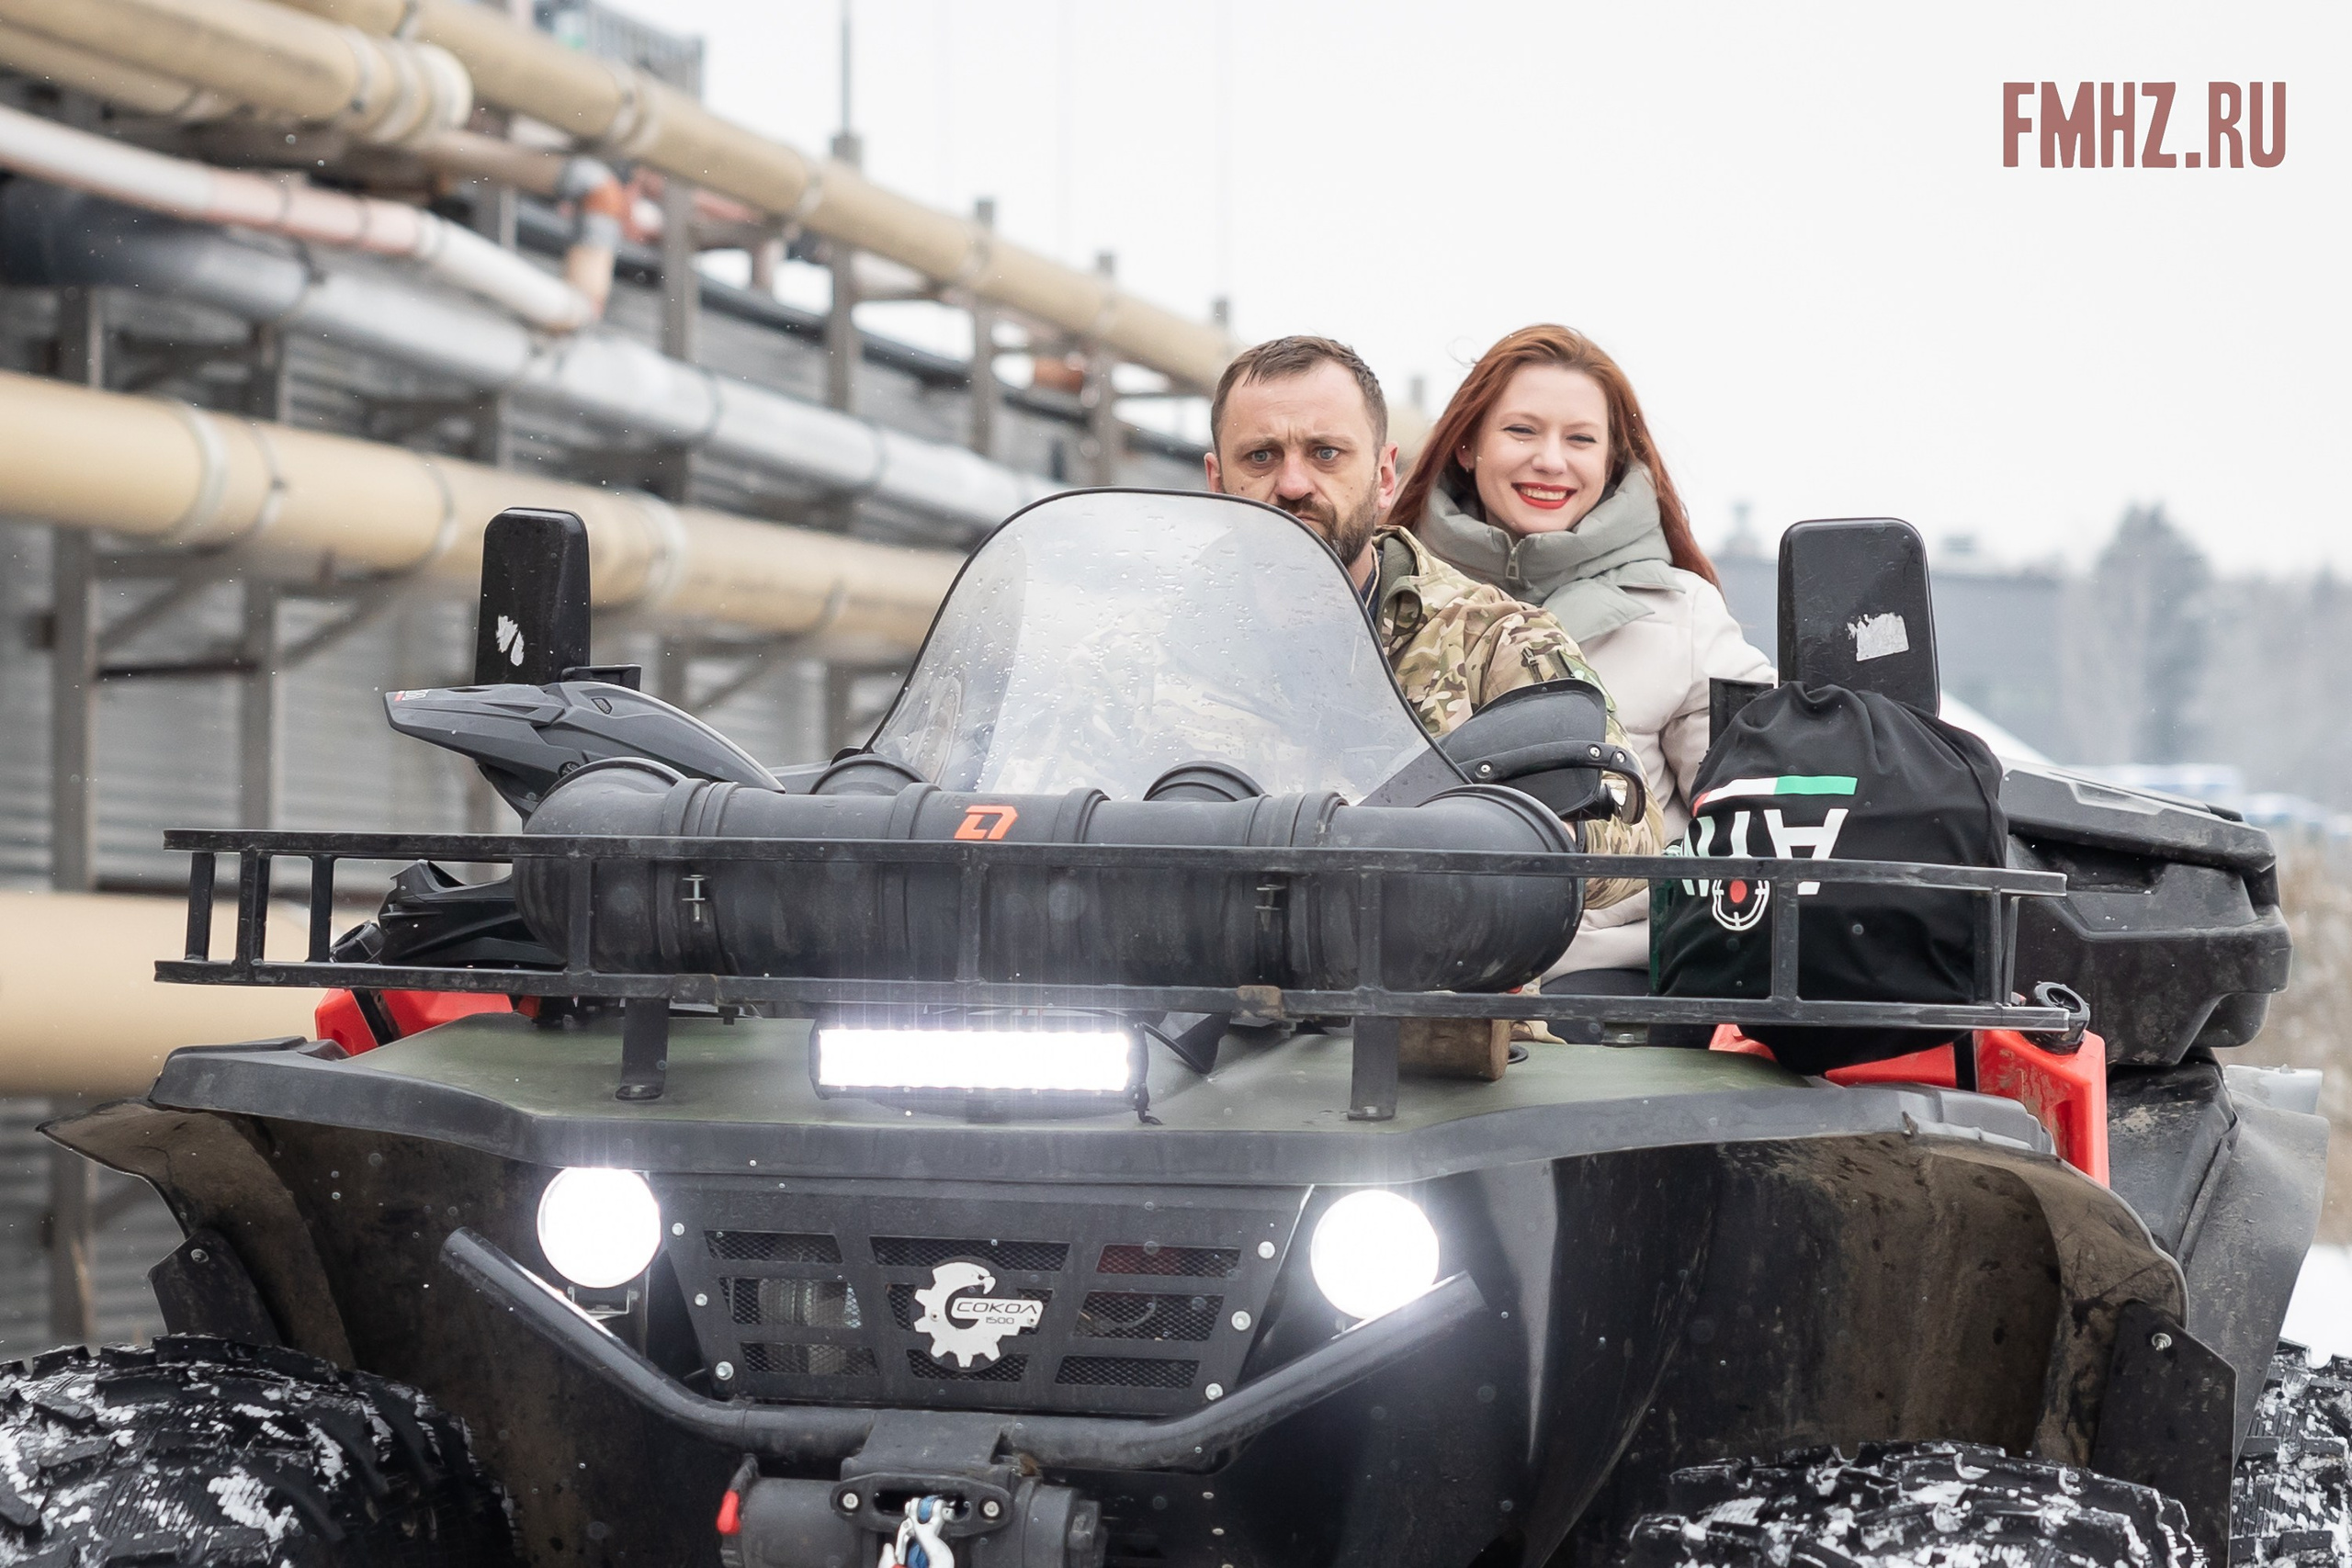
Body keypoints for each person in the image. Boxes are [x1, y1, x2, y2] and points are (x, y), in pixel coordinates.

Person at [1204, 333, 1661, 911]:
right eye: (1261, 456)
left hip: (1432, 984)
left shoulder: (1496, 637)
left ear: (1384, 477)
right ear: (1217, 481)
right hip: (1206, 990)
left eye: (1326, 453)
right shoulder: (1147, 649)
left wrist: (1488, 831)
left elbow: (1634, 828)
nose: (1293, 485)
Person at [1390, 325, 1773, 984]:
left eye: (1580, 439)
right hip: (1392, 969)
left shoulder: (1682, 613)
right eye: (1521, 431)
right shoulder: (1384, 597)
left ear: (1612, 460)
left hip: (1598, 984)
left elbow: (1753, 813)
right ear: (1465, 444)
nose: (1550, 460)